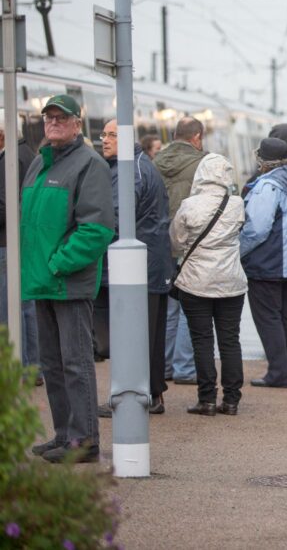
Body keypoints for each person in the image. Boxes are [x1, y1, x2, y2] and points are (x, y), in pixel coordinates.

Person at [25, 95, 114, 463]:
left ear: (77, 123)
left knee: (75, 361)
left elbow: (96, 229)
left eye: (62, 117)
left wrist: (59, 263)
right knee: (53, 363)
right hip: (41, 280)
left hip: (67, 281)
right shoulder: (39, 164)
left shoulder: (88, 164)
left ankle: (84, 441)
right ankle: (64, 434)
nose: (54, 123)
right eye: (49, 117)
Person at [95, 119, 175, 418]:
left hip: (138, 269)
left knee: (136, 336)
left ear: (127, 138)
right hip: (149, 265)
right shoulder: (134, 166)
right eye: (103, 134)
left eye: (112, 135)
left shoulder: (132, 172)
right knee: (148, 337)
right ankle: (151, 395)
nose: (104, 140)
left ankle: (136, 396)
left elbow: (115, 218)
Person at [170, 154, 247, 415]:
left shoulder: (189, 206)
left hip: (196, 283)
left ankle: (207, 400)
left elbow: (176, 242)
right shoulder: (236, 204)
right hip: (231, 283)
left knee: (202, 341)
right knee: (230, 341)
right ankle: (232, 400)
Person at [240, 138, 287, 389]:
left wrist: (237, 251)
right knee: (285, 317)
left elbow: (257, 229)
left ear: (262, 160)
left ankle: (278, 373)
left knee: (268, 318)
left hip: (268, 263)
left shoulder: (267, 186)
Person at [154, 117, 206, 385]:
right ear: (196, 137)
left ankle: (163, 365)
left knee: (168, 308)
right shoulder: (201, 164)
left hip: (161, 244)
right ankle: (185, 367)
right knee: (189, 306)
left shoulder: (155, 163)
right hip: (190, 244)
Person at [0, 125, 39, 377]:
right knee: (26, 308)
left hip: (7, 243)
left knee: (8, 308)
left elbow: (6, 208)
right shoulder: (28, 154)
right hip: (23, 241)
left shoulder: (9, 160)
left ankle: (18, 369)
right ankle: (34, 367)